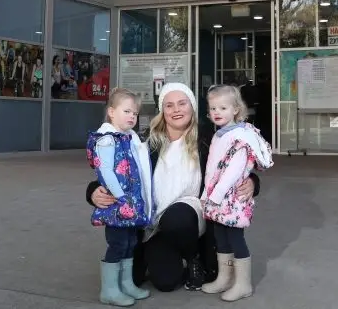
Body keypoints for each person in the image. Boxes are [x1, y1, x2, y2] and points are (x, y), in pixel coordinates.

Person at [85, 83, 262, 293]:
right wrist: (93, 190)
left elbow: (237, 164)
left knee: (177, 218)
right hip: (154, 220)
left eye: (182, 103)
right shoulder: (145, 141)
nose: (176, 110)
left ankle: (194, 257)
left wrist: (252, 182)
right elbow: (114, 167)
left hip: (191, 214)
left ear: (192, 106)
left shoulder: (209, 139)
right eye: (169, 105)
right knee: (164, 281)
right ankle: (157, 254)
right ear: (163, 111)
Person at [200, 85, 274, 301]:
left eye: (223, 108)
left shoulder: (240, 137)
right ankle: (225, 277)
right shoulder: (220, 135)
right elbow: (211, 170)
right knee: (220, 237)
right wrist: (206, 194)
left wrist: (214, 196)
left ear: (236, 109)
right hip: (217, 198)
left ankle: (243, 284)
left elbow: (232, 172)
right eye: (213, 108)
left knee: (235, 238)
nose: (217, 112)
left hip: (231, 198)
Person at [86, 88, 154, 306]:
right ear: (111, 112)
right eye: (126, 111)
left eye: (135, 113)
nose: (132, 116)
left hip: (130, 203)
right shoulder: (107, 139)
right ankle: (109, 289)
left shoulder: (129, 138)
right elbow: (106, 171)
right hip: (117, 204)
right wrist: (121, 197)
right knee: (117, 243)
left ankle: (126, 284)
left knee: (131, 242)